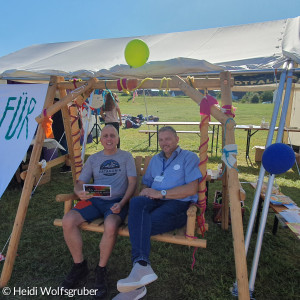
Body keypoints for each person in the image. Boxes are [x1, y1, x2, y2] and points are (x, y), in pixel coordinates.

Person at [115, 126, 202, 299]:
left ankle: (138, 278)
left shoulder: (189, 157)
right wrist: (146, 191)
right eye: (161, 139)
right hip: (154, 200)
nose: (164, 143)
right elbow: (146, 184)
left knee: (140, 223)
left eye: (168, 139)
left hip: (177, 204)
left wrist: (161, 193)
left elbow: (192, 188)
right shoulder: (155, 160)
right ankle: (141, 266)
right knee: (138, 202)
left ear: (177, 139)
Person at [61, 125, 137, 299]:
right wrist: (79, 191)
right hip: (95, 199)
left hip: (117, 202)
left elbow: (132, 183)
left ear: (117, 138)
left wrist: (123, 202)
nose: (109, 139)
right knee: (68, 220)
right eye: (105, 136)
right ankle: (79, 265)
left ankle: (101, 270)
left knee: (110, 225)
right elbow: (80, 182)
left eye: (112, 135)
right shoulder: (94, 159)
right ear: (100, 139)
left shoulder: (126, 157)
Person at [52, 97, 71, 173]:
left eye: (54, 103)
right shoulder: (60, 110)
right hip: (60, 132)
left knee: (64, 149)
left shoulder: (59, 110)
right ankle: (67, 164)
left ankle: (68, 166)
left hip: (61, 132)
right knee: (64, 149)